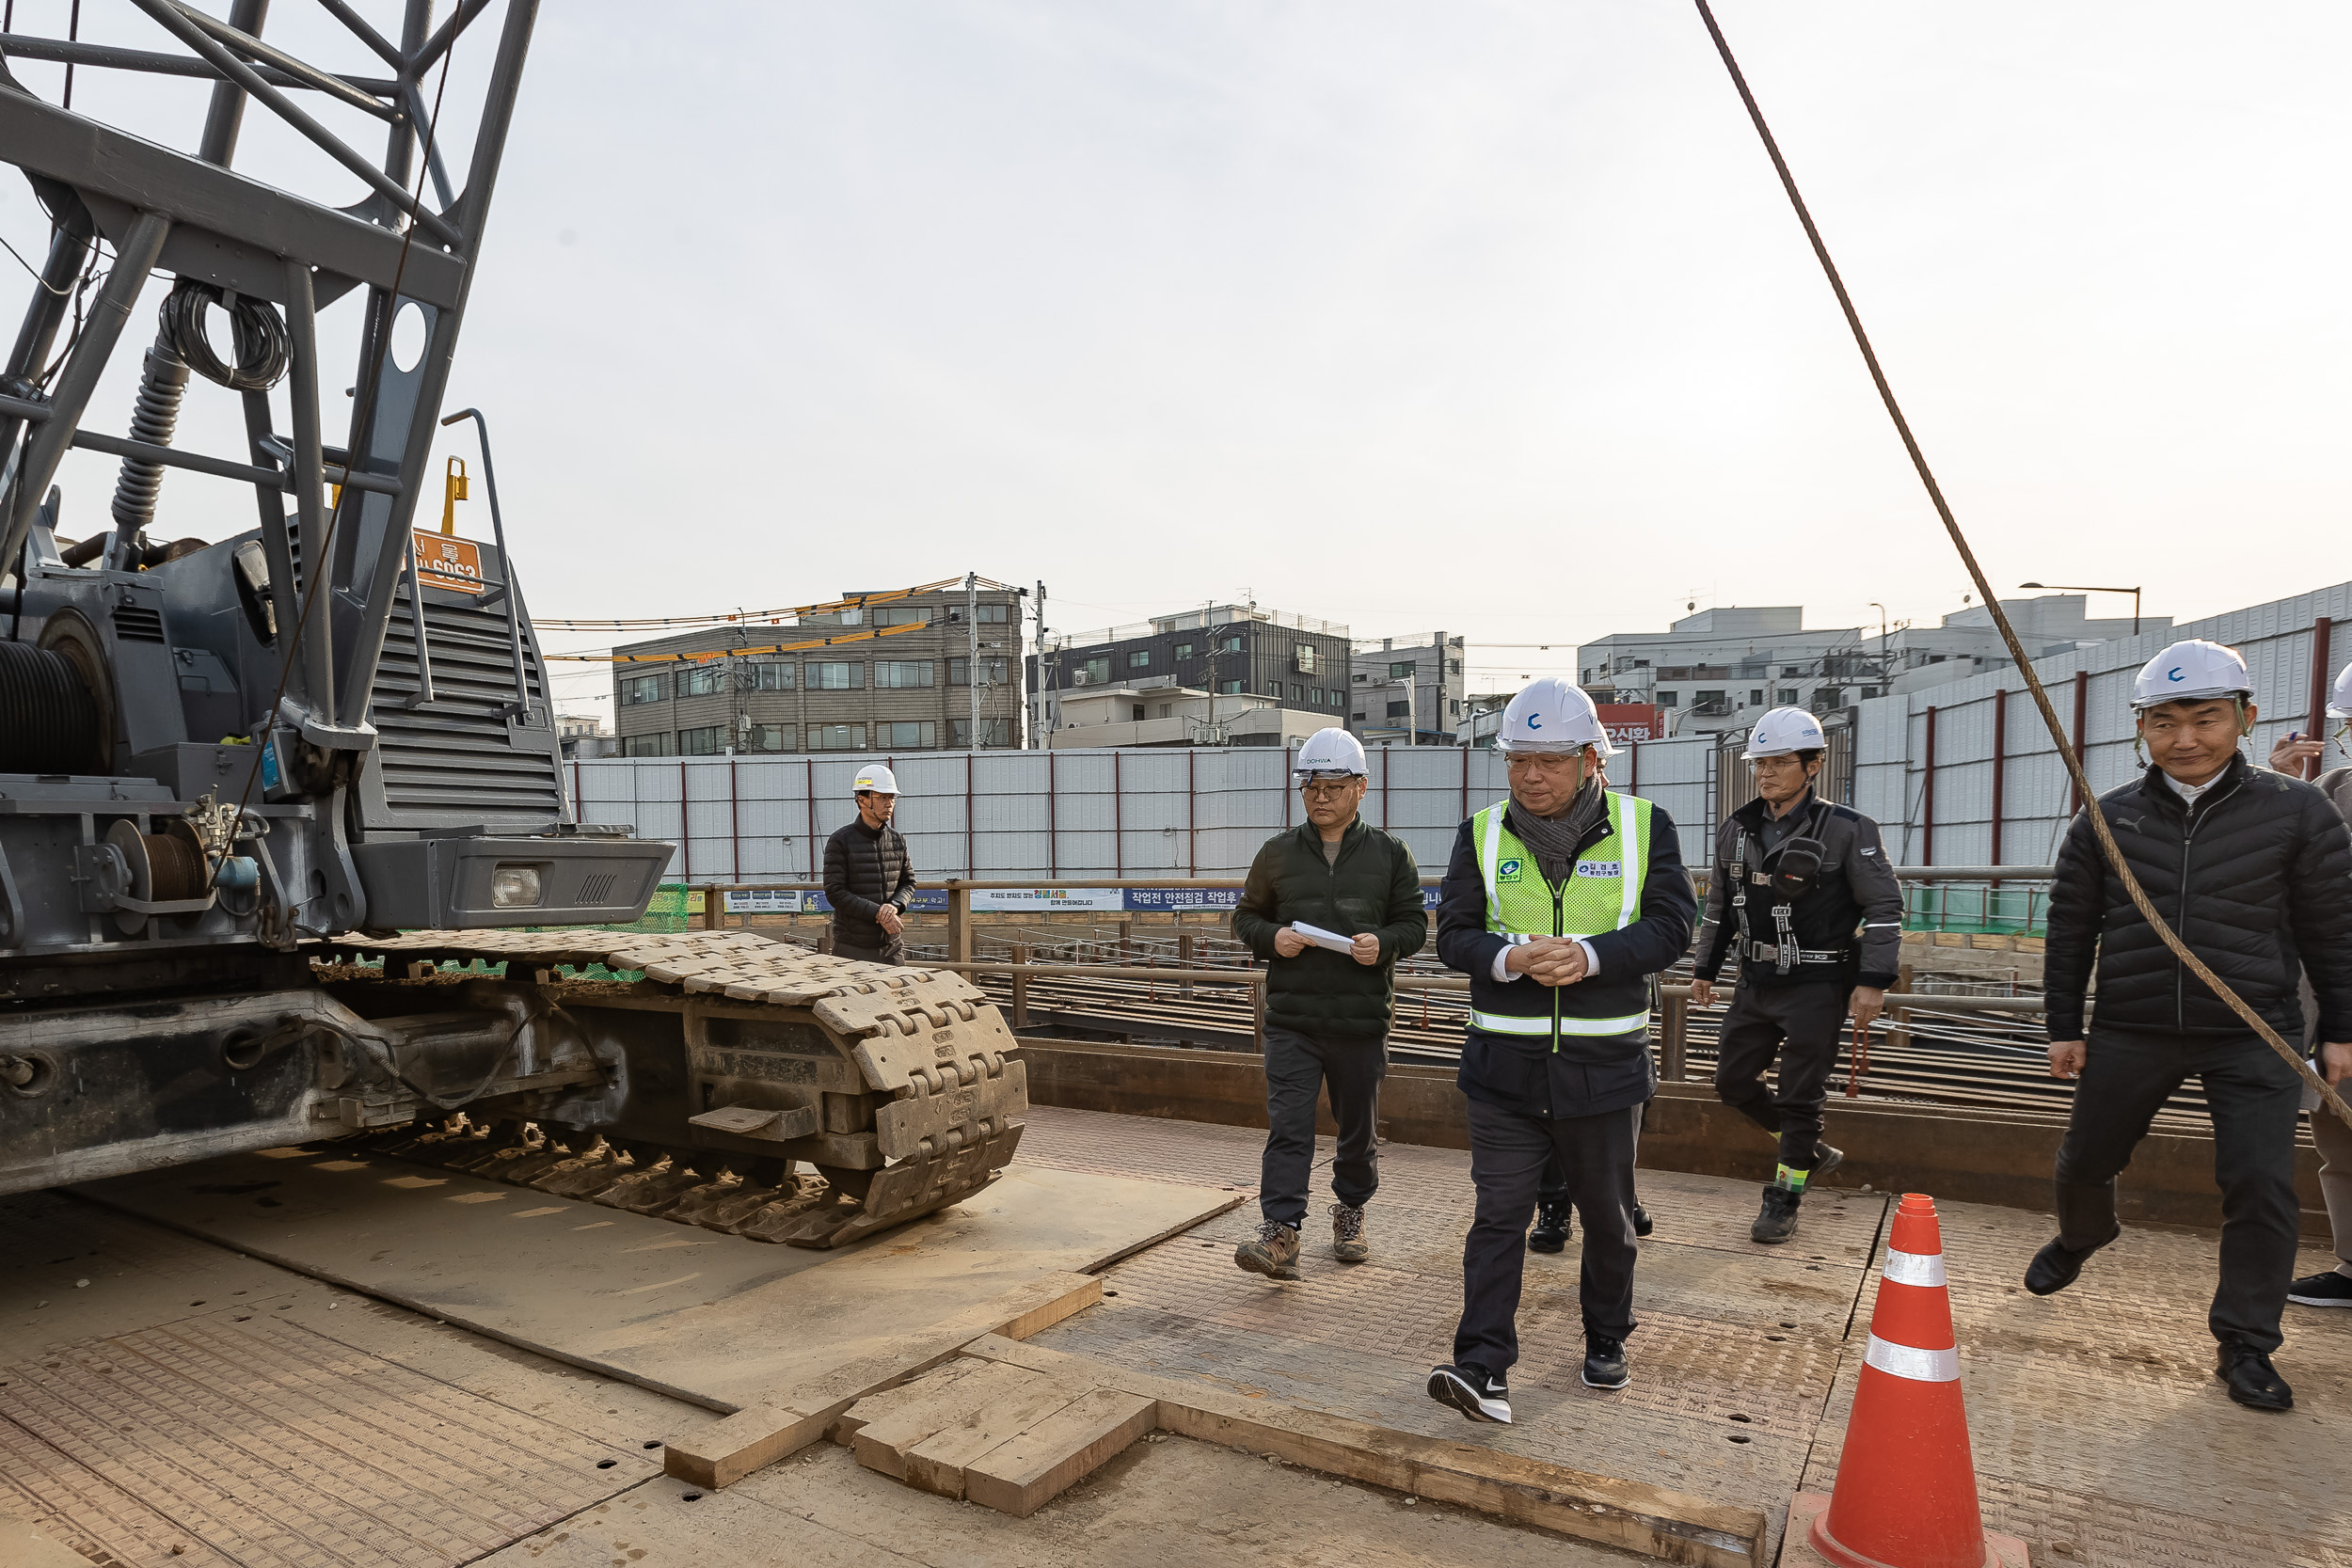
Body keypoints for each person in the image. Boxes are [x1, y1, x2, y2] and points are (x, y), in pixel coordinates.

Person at [2034, 639, 2352, 1413]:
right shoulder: (2106, 819)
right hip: (2133, 1026)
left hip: (2256, 1030)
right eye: (2164, 721)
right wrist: (2063, 1024)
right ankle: (2083, 1234)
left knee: (2259, 1185)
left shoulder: (2298, 811)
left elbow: (2332, 927)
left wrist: (2340, 1027)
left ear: (2244, 717)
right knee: (2083, 1161)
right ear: (2141, 726)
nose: (2185, 739)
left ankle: (2246, 1343)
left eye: (2206, 718)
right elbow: (2071, 929)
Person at [1425, 678, 1693, 1423]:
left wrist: (1591, 955)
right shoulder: (1481, 832)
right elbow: (1452, 933)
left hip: (1602, 1072)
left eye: (1547, 760)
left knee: (1608, 1217)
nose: (1530, 776)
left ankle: (1607, 1335)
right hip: (1502, 1070)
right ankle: (1482, 1366)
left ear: (1589, 759)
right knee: (1498, 1216)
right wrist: (1512, 960)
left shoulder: (1646, 826)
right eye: (1518, 759)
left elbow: (1673, 926)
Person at [1689, 707, 1899, 1243]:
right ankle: (1806, 1149)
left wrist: (1873, 980)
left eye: (1779, 762)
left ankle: (1784, 1194)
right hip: (1755, 980)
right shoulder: (1736, 828)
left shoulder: (1849, 830)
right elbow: (1718, 904)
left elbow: (1884, 908)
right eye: (1760, 763)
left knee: (1801, 1095)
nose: (1766, 774)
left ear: (1814, 765)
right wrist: (1705, 968)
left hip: (1817, 984)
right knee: (1732, 1083)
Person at [1230, 727, 1429, 1280]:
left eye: (1333, 786)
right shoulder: (1277, 853)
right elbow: (1246, 917)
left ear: (1361, 788)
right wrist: (1272, 939)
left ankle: (1350, 1210)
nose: (1320, 796)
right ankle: (1281, 1230)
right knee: (1288, 1126)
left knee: (1356, 1127)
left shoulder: (1390, 855)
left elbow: (1414, 924)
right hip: (1293, 1018)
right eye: (1310, 786)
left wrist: (1382, 945)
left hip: (1360, 1020)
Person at [2265, 662, 2352, 1312]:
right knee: (2339, 1140)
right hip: (2329, 1006)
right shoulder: (2327, 790)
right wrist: (2276, 789)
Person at [823, 763, 915, 964]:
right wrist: (878, 913)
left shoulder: (897, 840)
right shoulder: (840, 840)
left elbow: (908, 882)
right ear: (861, 800)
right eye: (882, 797)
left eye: (891, 798)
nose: (889, 803)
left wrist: (894, 906)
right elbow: (835, 892)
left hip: (891, 946)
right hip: (853, 947)